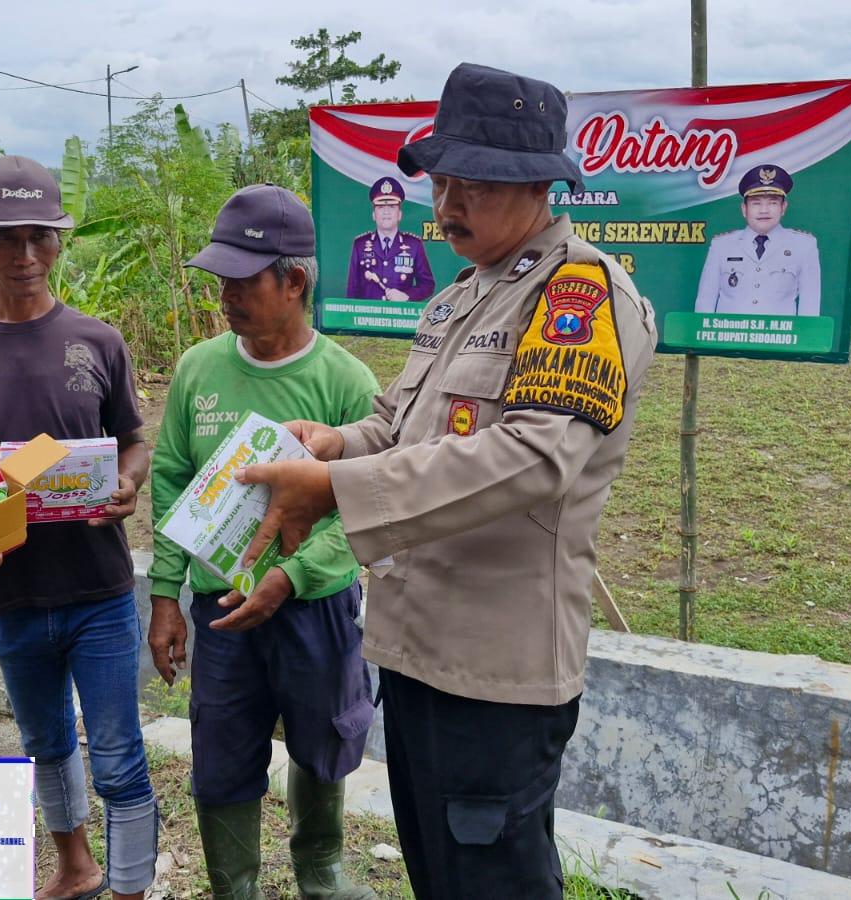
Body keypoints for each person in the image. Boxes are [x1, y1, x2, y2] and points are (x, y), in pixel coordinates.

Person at [234, 63, 658, 899]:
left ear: (541, 185)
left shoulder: (579, 295)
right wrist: (335, 445)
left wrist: (337, 493)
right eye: (443, 181)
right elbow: (402, 424)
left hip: (496, 671)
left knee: (493, 879)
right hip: (418, 650)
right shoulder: (462, 296)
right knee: (440, 873)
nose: (448, 203)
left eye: (476, 184)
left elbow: (538, 456)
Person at [0, 154, 155, 900]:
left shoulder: (97, 342)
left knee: (117, 754)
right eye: (4, 239)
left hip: (101, 590)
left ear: (58, 242)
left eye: (41, 237)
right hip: (9, 591)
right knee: (45, 744)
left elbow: (132, 440)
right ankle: (75, 866)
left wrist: (129, 481)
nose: (25, 256)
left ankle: (133, 884)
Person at [148, 184, 381, 900]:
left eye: (241, 281)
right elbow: (171, 477)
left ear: (295, 281)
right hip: (221, 604)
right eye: (219, 279)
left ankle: (321, 869)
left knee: (324, 739)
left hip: (315, 607)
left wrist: (295, 575)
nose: (225, 295)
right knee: (221, 747)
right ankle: (234, 886)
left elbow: (361, 508)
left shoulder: (346, 383)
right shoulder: (199, 369)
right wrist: (164, 595)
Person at [693, 163, 821, 316]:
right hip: (729, 338)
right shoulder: (721, 246)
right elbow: (704, 303)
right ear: (744, 209)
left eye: (772, 202)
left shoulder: (804, 246)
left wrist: (804, 338)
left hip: (780, 338)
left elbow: (810, 306)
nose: (764, 210)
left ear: (783, 207)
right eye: (756, 203)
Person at [344, 176, 436, 303]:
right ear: (373, 215)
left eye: (392, 206)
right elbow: (352, 291)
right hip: (368, 319)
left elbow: (428, 285)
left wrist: (407, 296)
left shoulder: (414, 245)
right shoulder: (360, 245)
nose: (386, 212)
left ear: (399, 214)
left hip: (400, 320)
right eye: (381, 207)